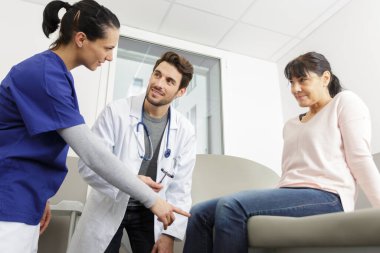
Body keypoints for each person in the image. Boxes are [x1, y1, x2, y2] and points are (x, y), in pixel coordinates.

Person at [0, 1, 189, 252]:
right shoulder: (45, 75)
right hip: (8, 199)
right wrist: (152, 199)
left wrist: (39, 194)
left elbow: (32, 143)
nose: (110, 57)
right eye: (107, 47)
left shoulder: (56, 76)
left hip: (23, 198)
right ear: (81, 39)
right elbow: (91, 153)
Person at [183, 51, 380, 253]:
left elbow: (360, 159)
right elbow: (290, 172)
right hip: (289, 193)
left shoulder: (344, 102)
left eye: (302, 80)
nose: (295, 88)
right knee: (199, 213)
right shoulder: (291, 124)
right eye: (291, 82)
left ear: (325, 78)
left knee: (230, 205)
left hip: (328, 195)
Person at [68, 51, 196, 253]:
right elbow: (88, 166)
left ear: (180, 92)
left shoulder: (185, 131)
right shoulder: (116, 112)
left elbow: (181, 187)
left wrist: (169, 235)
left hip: (151, 213)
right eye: (157, 74)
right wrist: (132, 181)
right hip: (110, 204)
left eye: (170, 81)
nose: (159, 83)